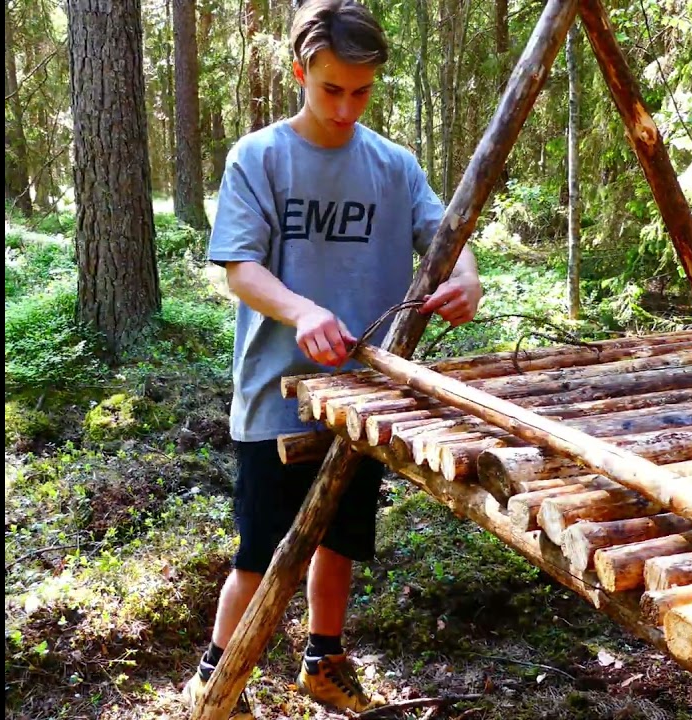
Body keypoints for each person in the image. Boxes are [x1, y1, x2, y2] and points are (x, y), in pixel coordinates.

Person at [182, 1, 482, 716]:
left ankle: (325, 659)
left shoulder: (393, 164)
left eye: (362, 91)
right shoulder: (259, 158)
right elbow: (239, 268)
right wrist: (304, 310)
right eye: (331, 90)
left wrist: (466, 275)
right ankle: (214, 679)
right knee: (260, 552)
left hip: (365, 396)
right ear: (300, 74)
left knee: (341, 539)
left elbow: (443, 232)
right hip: (274, 397)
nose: (347, 107)